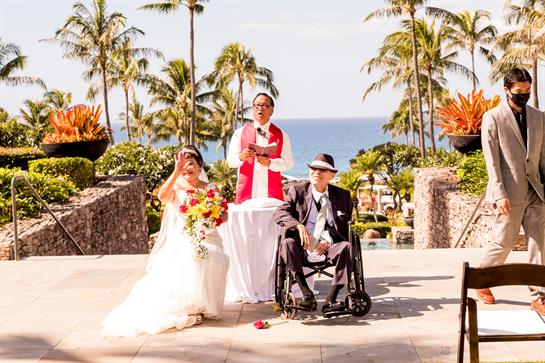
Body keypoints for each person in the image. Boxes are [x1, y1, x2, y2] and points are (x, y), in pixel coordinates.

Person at [102, 146, 230, 336]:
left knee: (219, 257)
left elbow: (225, 215)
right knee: (196, 255)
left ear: (200, 165)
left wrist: (212, 215)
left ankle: (204, 304)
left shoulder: (210, 188)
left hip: (208, 233)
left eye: (191, 163)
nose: (187, 168)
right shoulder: (176, 186)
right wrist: (176, 171)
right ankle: (191, 307)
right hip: (184, 236)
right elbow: (161, 196)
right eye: (183, 164)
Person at [476, 68, 545, 315]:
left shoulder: (539, 117)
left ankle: (539, 295)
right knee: (504, 241)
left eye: (527, 92)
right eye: (519, 93)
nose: (523, 96)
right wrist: (498, 194)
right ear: (506, 90)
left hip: (536, 192)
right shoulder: (492, 118)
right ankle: (482, 279)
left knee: (539, 243)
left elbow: (542, 158)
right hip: (508, 193)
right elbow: (491, 161)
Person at [273, 153, 353, 314]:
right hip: (303, 244)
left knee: (347, 247)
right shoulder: (297, 191)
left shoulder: (343, 195)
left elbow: (346, 226)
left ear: (332, 175)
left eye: (322, 170)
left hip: (330, 245)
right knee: (286, 244)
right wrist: (298, 226)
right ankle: (306, 294)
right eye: (314, 168)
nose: (317, 172)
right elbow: (279, 213)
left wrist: (330, 241)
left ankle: (330, 300)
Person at [227, 93, 294, 204]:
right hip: (247, 193)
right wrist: (241, 157)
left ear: (271, 110)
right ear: (253, 108)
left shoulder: (281, 135)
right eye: (257, 105)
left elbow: (289, 163)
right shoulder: (240, 133)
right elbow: (230, 161)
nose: (260, 109)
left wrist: (270, 163)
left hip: (271, 194)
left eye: (264, 105)